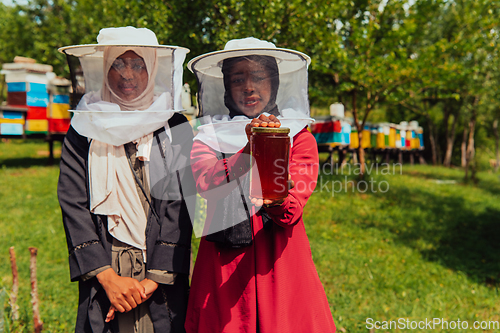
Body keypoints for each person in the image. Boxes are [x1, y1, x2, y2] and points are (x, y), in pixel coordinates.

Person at [185, 37, 336, 332]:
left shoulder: (298, 136)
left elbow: (291, 211)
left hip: (279, 262)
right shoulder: (208, 136)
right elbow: (206, 182)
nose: (248, 87)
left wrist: (277, 197)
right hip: (222, 267)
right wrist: (248, 152)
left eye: (258, 77)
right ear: (226, 87)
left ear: (275, 83)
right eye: (238, 78)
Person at [57, 27, 194, 333]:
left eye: (138, 65)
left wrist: (153, 279)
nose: (127, 74)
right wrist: (106, 277)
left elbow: (181, 203)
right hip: (106, 271)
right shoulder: (84, 124)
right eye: (117, 64)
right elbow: (72, 201)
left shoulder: (174, 124)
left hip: (161, 273)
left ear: (153, 68)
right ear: (104, 69)